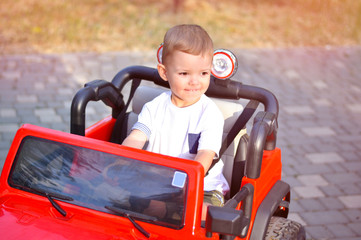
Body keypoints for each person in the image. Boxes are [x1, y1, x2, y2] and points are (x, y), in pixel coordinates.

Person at [122, 24, 229, 220]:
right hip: (159, 183)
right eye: (184, 74)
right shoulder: (154, 107)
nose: (195, 81)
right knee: (135, 204)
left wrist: (190, 178)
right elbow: (137, 136)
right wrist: (123, 157)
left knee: (201, 214)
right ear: (164, 73)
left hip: (202, 186)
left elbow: (206, 154)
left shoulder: (209, 114)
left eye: (203, 73)